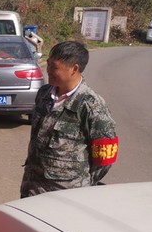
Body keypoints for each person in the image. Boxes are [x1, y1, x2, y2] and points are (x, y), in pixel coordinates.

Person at [20, 41, 118, 198]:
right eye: (49, 65)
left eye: (54, 67)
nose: (48, 71)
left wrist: (80, 183)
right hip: (32, 189)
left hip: (66, 196)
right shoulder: (44, 94)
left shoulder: (91, 105)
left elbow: (104, 160)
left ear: (74, 69)